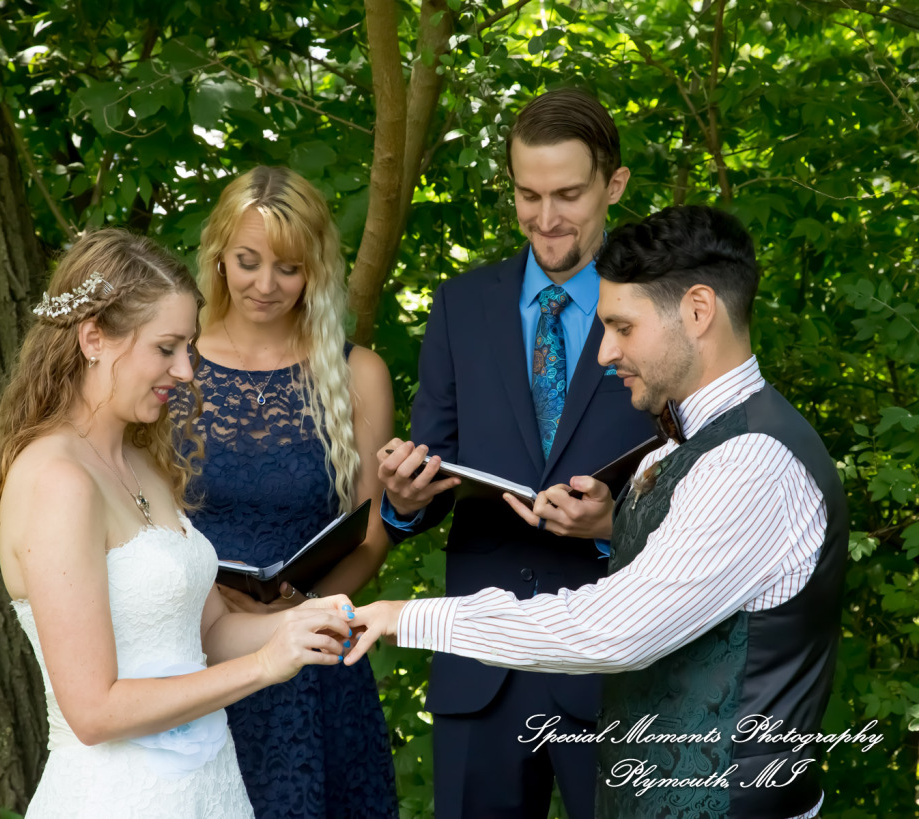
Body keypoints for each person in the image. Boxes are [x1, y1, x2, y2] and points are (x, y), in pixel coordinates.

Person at [350, 205, 849, 819]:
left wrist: (408, 617)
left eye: (622, 327)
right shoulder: (684, 443)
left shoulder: (753, 462)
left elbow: (615, 632)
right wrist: (614, 528)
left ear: (698, 311)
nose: (603, 352)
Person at [0, 229, 356, 818]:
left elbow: (211, 634)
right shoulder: (57, 481)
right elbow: (94, 712)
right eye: (166, 347)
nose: (187, 370)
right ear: (93, 338)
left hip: (210, 788)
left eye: (189, 347)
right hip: (119, 798)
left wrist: (311, 622)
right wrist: (266, 667)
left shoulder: (145, 464)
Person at [375, 87, 657, 818]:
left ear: (614, 185)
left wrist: (612, 527)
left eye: (568, 194)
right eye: (528, 195)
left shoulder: (665, 309)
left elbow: (702, 481)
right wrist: (403, 502)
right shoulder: (459, 305)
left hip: (617, 657)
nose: (546, 217)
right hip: (482, 660)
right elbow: (429, 471)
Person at [169, 166, 398, 819]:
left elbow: (374, 527)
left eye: (288, 268)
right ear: (218, 255)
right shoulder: (173, 365)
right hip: (196, 654)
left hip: (316, 655)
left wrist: (307, 611)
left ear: (317, 270)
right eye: (247, 261)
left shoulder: (359, 372)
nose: (264, 284)